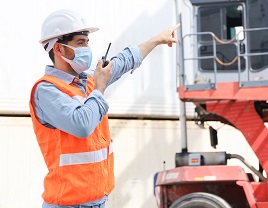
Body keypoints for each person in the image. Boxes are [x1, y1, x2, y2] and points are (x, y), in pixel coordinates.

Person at [29, 9, 180, 208]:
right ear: (58, 49)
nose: (87, 48)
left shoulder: (88, 81)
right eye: (80, 43)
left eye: (87, 42)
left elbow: (124, 61)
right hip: (67, 205)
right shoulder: (47, 90)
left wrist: (157, 40)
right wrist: (99, 88)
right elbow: (81, 125)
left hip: (98, 201)